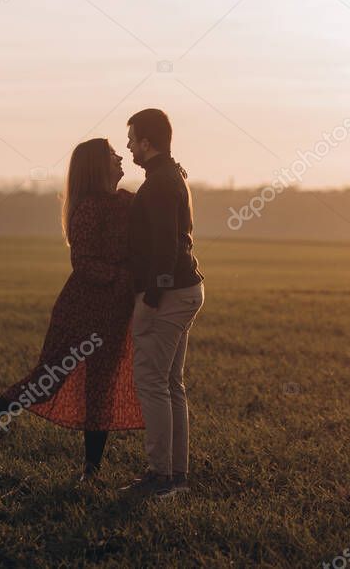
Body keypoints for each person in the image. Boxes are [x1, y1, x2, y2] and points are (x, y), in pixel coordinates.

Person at [0, 138, 143, 483]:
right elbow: (83, 262)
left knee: (101, 388)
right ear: (97, 166)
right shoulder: (88, 208)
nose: (121, 157)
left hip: (115, 312)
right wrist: (121, 276)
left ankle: (91, 470)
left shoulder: (127, 201)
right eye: (112, 154)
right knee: (46, 381)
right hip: (81, 310)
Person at [118, 108, 205, 498]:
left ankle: (160, 477)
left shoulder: (158, 186)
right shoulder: (171, 176)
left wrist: (151, 299)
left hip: (168, 295)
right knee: (171, 383)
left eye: (132, 139)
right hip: (185, 290)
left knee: (152, 383)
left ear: (147, 143)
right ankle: (175, 477)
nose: (128, 146)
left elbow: (166, 247)